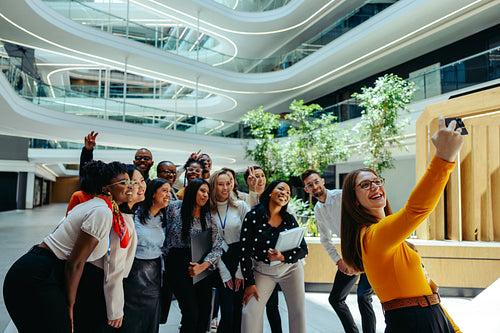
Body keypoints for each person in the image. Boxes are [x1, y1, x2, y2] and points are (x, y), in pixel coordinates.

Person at [340, 116, 464, 333]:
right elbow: (415, 210)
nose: (375, 187)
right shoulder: (372, 236)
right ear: (354, 200)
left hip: (430, 318)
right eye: (365, 185)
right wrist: (444, 158)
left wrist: (452, 328)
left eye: (378, 181)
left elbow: (428, 295)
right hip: (413, 323)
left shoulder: (390, 237)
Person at [3, 161, 127, 332]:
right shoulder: (101, 211)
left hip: (35, 270)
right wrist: (69, 305)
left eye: (130, 182)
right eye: (123, 182)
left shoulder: (95, 206)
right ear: (107, 188)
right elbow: (74, 263)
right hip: (37, 276)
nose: (129, 186)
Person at [73, 163, 145, 332]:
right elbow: (113, 269)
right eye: (132, 182)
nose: (140, 186)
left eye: (141, 180)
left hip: (102, 283)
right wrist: (115, 311)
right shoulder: (115, 218)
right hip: (97, 285)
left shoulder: (124, 215)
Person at [301, 170, 375, 333]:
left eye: (316, 182)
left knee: (364, 296)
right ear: (306, 190)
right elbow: (325, 239)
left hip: (370, 249)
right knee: (336, 299)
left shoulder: (342, 196)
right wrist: (338, 260)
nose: (314, 186)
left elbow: (368, 213)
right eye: (309, 185)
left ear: (322, 181)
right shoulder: (318, 209)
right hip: (351, 254)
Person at [240, 180, 308, 333]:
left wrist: (282, 256)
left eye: (288, 193)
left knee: (298, 311)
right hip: (263, 271)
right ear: (270, 191)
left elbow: (303, 249)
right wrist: (249, 282)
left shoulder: (289, 219)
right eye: (281, 189)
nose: (285, 193)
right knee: (249, 312)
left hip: (291, 270)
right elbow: (244, 251)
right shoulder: (252, 216)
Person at [164, 178, 224, 333]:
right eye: (202, 191)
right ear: (192, 190)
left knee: (204, 314)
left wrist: (203, 266)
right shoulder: (173, 208)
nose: (205, 195)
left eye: (208, 193)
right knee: (191, 313)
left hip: (201, 266)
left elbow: (217, 248)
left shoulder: (209, 218)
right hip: (176, 264)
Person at [119, 178, 172, 332]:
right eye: (164, 190)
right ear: (153, 194)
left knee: (150, 316)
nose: (168, 195)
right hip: (133, 271)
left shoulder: (165, 217)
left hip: (154, 273)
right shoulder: (134, 215)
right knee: (131, 319)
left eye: (169, 191)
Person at [208, 170, 250, 333]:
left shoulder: (241, 206)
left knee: (238, 309)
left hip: (239, 257)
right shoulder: (207, 209)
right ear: (213, 186)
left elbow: (249, 239)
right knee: (227, 310)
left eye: (228, 183)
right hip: (218, 259)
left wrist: (241, 269)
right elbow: (209, 244)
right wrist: (223, 271)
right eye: (220, 184)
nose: (225, 188)